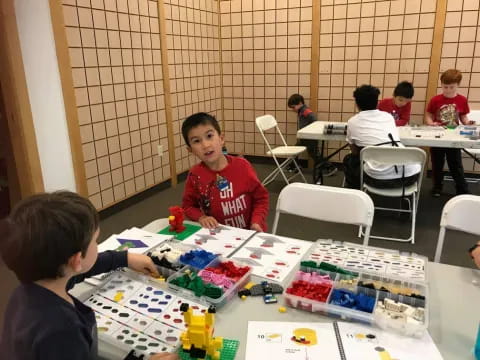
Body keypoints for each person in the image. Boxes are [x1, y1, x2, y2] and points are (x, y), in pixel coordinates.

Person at [0, 191, 179, 360]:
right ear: (77, 260)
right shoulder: (61, 330)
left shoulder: (31, 289)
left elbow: (77, 273)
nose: (96, 244)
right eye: (95, 240)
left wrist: (124, 258)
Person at [181, 112, 269, 231]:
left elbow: (261, 198)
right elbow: (188, 206)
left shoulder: (242, 166)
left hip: (249, 234)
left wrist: (257, 222)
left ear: (221, 139)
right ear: (190, 150)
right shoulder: (195, 176)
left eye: (209, 136)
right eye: (196, 141)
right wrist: (201, 217)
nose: (205, 145)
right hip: (219, 237)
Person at [343, 85, 421, 189]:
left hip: (376, 179)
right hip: (410, 176)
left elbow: (355, 152)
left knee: (349, 159)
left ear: (357, 104)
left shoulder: (352, 122)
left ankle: (356, 195)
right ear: (377, 102)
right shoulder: (388, 117)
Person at [425, 69, 474, 197]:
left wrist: (468, 123)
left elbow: (463, 117)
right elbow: (429, 115)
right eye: (445, 86)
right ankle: (437, 188)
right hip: (438, 136)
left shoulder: (462, 100)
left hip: (453, 137)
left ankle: (462, 189)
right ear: (441, 84)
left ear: (458, 85)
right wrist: (430, 123)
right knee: (437, 164)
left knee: (456, 164)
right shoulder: (435, 99)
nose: (447, 90)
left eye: (451, 87)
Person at [287, 93, 337, 181]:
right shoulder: (301, 111)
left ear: (300, 103)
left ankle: (330, 167)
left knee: (314, 154)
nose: (292, 110)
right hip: (304, 136)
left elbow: (314, 120)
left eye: (293, 107)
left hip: (309, 137)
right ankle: (294, 165)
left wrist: (311, 130)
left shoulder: (306, 111)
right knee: (295, 150)